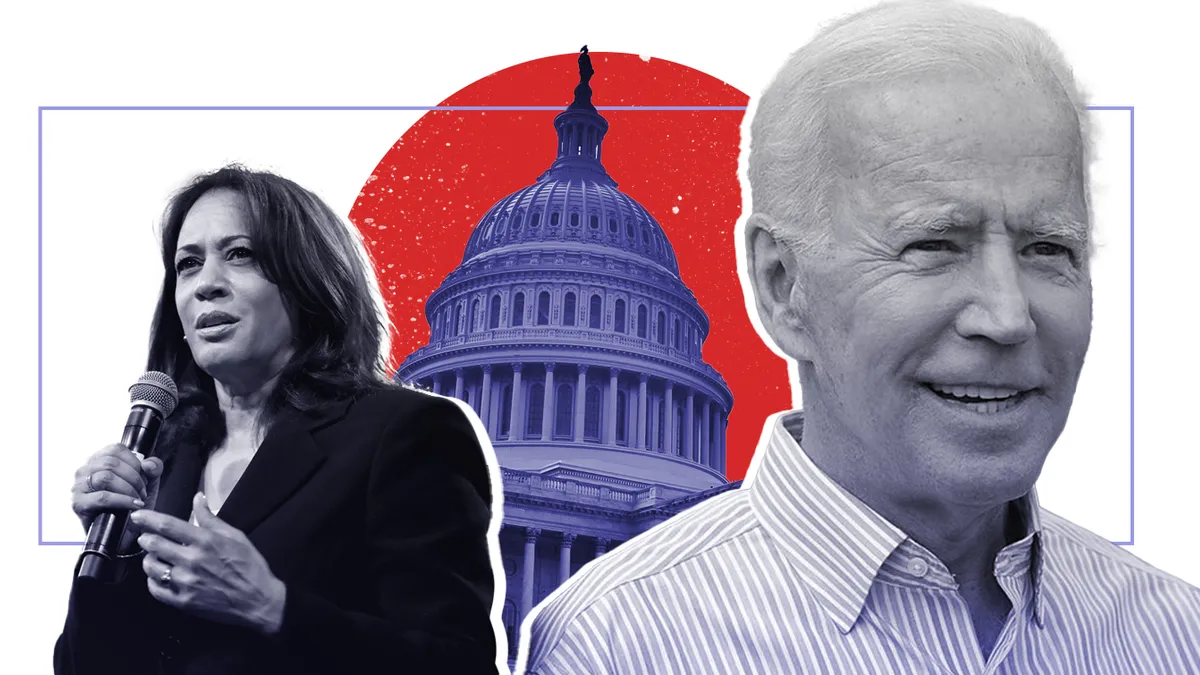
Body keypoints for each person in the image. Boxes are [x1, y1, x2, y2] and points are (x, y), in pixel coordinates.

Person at [516, 1, 1200, 673]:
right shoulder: (614, 646)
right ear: (785, 285)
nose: (1007, 315)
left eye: (1049, 247)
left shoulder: (1178, 633)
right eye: (933, 243)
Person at [55, 165, 505, 674]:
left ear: (308, 281)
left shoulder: (408, 432)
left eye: (240, 254)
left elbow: (459, 664)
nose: (207, 285)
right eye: (188, 264)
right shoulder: (166, 458)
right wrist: (111, 554)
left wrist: (273, 608)